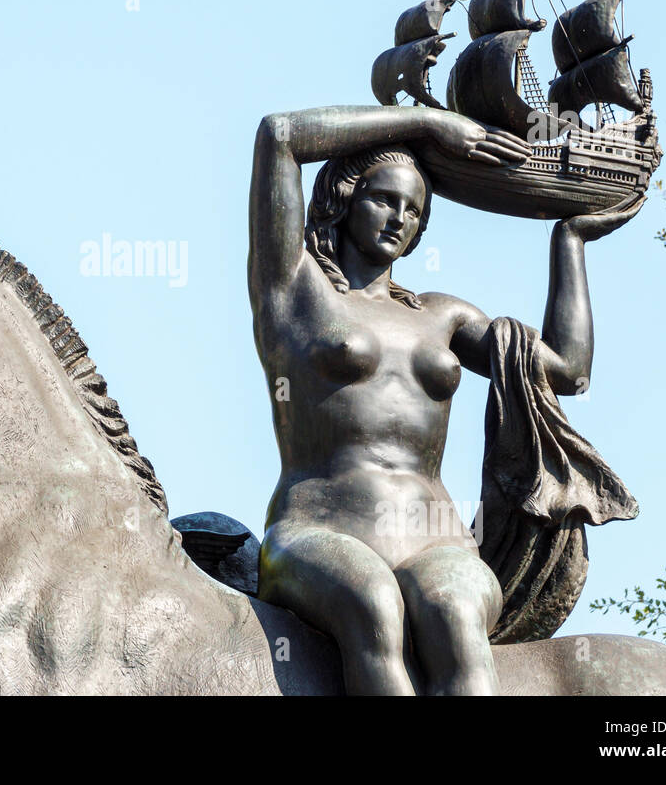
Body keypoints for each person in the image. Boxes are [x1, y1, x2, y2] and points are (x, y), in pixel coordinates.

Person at [247, 105, 644, 695]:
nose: (398, 218)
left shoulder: (443, 315)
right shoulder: (293, 288)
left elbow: (567, 372)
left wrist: (570, 241)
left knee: (456, 615)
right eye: (383, 199)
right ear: (343, 197)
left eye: (413, 211)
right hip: (317, 533)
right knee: (372, 601)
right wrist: (425, 125)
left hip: (436, 539)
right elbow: (280, 137)